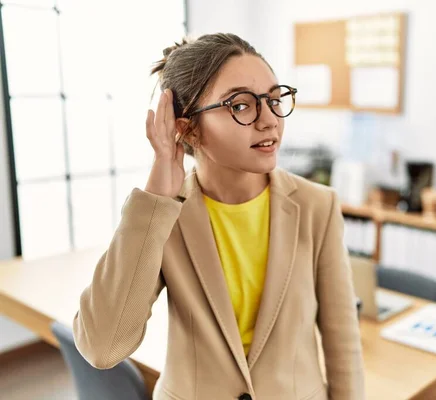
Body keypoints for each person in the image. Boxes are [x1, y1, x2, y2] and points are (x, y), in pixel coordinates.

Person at [72, 33, 365, 400]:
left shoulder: (317, 206)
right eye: (241, 106)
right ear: (186, 127)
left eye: (275, 100)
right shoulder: (161, 215)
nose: (270, 120)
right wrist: (156, 194)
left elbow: (343, 346)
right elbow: (103, 346)